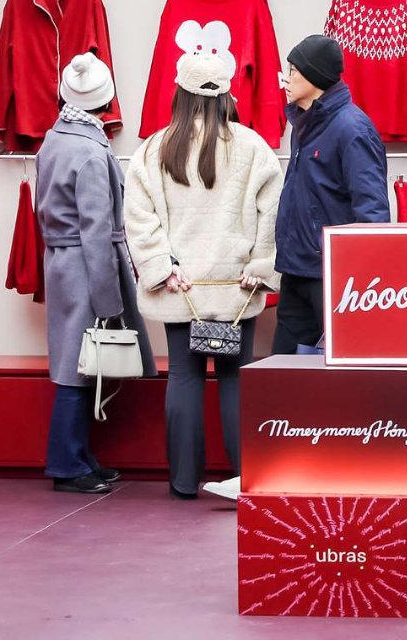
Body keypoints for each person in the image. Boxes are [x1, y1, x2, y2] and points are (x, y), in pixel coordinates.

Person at [125, 50, 282, 501]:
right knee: (235, 377)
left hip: (182, 288)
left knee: (184, 376)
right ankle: (246, 479)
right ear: (228, 94)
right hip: (237, 289)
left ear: (179, 92)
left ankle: (182, 483)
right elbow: (272, 214)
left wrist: (161, 268)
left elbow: (139, 217)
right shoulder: (253, 147)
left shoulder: (155, 149)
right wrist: (260, 266)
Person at [35, 51, 155, 494]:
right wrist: (109, 300)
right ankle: (67, 465)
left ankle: (79, 457)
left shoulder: (54, 139)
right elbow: (97, 231)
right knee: (79, 367)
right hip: (86, 266)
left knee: (83, 363)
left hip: (62, 262)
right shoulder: (89, 150)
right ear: (105, 99)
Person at [272, 35, 389, 355]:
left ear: (314, 76)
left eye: (293, 71)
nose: (286, 79)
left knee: (344, 365)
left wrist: (361, 277)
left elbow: (373, 210)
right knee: (283, 368)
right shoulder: (304, 123)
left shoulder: (352, 128)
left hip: (335, 275)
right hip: (297, 268)